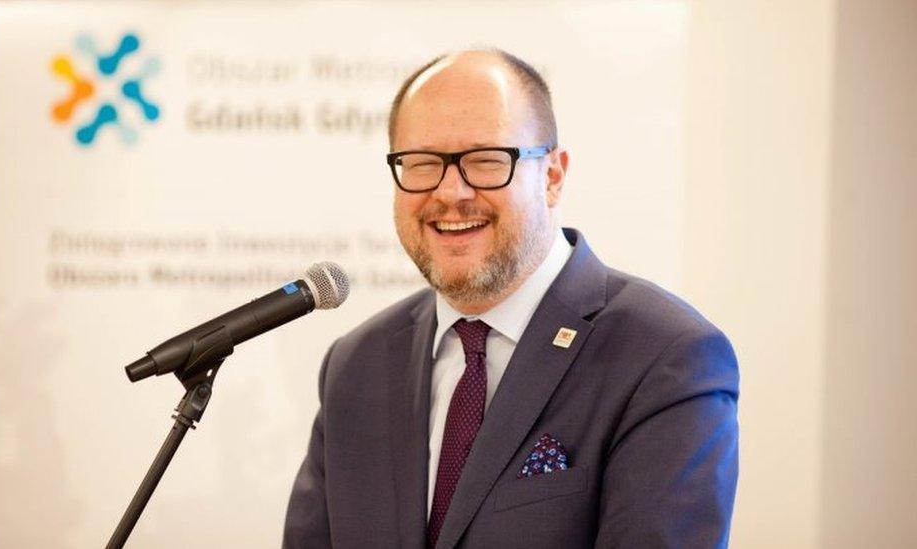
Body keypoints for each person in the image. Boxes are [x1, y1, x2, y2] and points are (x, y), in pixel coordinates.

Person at [283, 49, 739, 549]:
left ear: (553, 176)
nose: (450, 192)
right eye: (421, 163)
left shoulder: (666, 358)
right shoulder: (356, 364)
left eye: (485, 160)